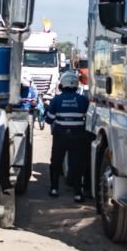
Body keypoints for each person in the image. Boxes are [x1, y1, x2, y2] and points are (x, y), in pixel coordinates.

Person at [45, 71, 90, 202]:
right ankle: (78, 193)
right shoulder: (83, 100)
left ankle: (54, 189)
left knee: (56, 162)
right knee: (77, 164)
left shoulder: (56, 100)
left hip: (60, 136)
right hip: (78, 136)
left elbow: (49, 120)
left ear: (62, 85)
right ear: (76, 85)